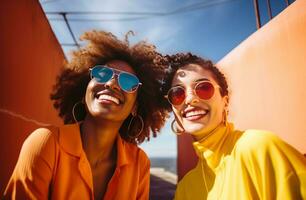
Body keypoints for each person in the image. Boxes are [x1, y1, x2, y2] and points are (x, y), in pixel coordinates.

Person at [4, 30, 168, 200]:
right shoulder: (46, 144)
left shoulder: (139, 163)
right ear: (84, 93)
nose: (111, 83)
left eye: (127, 81)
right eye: (102, 74)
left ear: (135, 107)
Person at [161, 53, 306, 199]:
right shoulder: (185, 188)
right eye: (177, 93)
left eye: (203, 88)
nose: (190, 99)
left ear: (225, 101)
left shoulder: (259, 148)